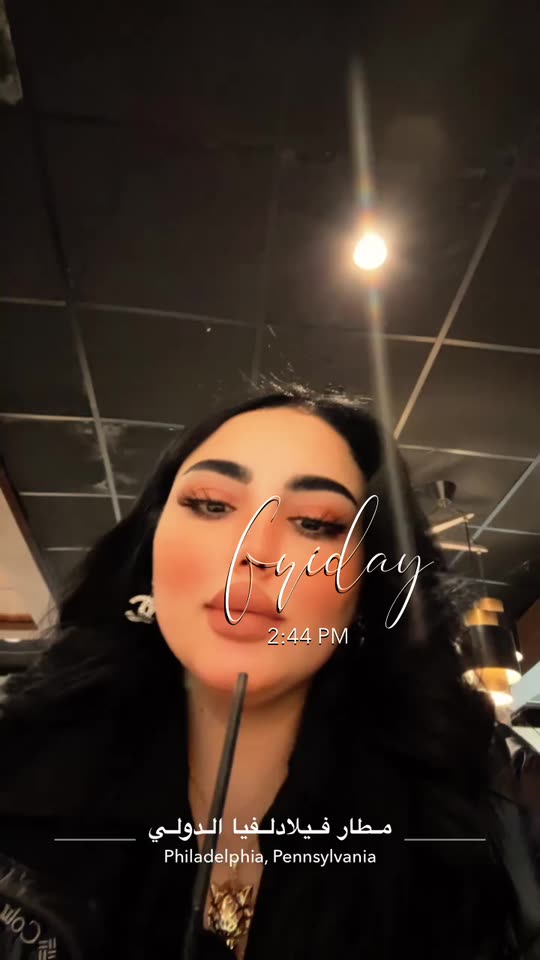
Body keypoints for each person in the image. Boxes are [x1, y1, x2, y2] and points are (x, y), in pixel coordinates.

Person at [0, 381, 539, 960]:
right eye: (212, 505)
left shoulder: (496, 809)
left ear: (365, 589)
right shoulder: (20, 761)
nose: (253, 550)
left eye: (315, 522)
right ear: (151, 550)